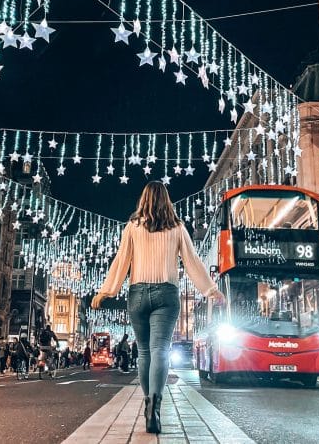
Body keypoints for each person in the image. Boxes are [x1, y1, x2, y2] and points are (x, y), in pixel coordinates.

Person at [91, 181, 225, 435]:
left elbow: (121, 260)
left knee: (144, 353)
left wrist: (106, 290)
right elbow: (192, 261)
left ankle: (148, 403)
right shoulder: (177, 227)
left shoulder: (133, 227)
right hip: (166, 294)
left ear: (143, 200)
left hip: (138, 293)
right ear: (167, 200)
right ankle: (156, 404)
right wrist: (210, 290)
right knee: (160, 350)